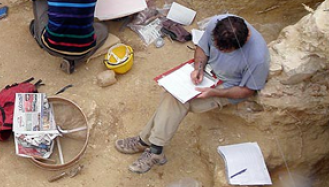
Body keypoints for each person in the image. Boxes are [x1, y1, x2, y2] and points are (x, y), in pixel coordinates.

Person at [114, 15, 269, 173]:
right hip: (207, 74)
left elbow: (247, 90)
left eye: (224, 51)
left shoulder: (257, 58)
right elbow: (202, 47)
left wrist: (214, 92)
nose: (218, 50)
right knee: (172, 94)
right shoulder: (219, 24)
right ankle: (152, 147)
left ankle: (148, 144)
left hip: (226, 87)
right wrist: (199, 67)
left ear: (239, 47)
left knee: (177, 99)